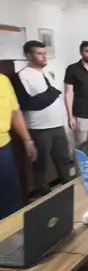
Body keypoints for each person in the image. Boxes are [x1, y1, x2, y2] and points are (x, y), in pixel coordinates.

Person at [14, 40, 70, 196]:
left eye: (45, 53)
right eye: (39, 54)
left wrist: (52, 94)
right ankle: (45, 196)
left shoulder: (48, 73)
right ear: (28, 56)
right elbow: (28, 103)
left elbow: (52, 96)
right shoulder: (22, 75)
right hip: (39, 128)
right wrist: (53, 93)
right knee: (41, 165)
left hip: (57, 125)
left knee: (64, 159)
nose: (44, 57)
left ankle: (69, 189)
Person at [0, 73, 37, 220]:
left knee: (10, 194)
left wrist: (27, 140)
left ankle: (11, 229)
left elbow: (15, 113)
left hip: (3, 148)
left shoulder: (3, 81)